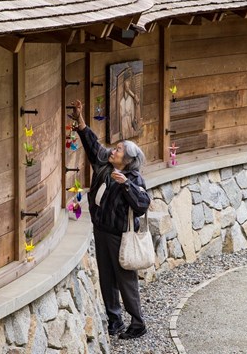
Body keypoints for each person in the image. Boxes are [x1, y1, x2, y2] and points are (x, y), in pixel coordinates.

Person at [70, 99, 151, 340]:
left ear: (126, 161)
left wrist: (126, 186)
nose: (112, 151)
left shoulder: (134, 179)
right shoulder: (106, 164)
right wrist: (81, 121)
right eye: (115, 149)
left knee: (125, 279)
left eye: (118, 150)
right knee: (106, 277)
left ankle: (138, 323)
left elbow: (142, 205)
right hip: (101, 230)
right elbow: (94, 146)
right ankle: (114, 320)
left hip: (120, 235)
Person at [119, 69, 140, 140]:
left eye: (129, 81)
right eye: (127, 81)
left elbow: (134, 113)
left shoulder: (130, 100)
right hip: (124, 122)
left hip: (129, 121)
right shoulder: (121, 101)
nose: (128, 83)